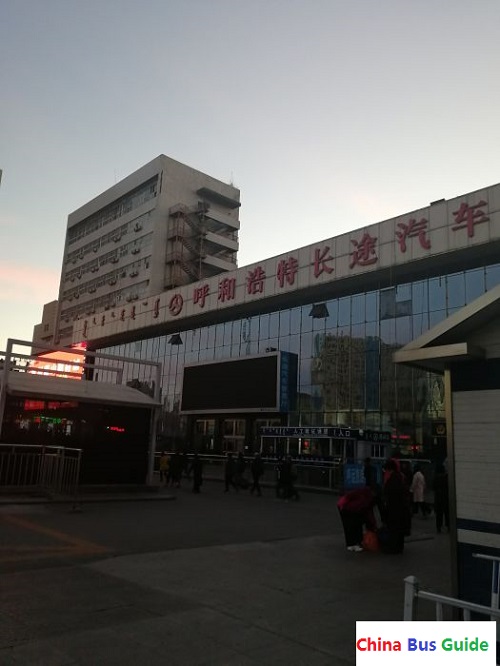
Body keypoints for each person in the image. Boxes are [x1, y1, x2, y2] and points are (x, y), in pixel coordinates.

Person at [380, 458, 411, 553]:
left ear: (390, 469)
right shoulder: (401, 477)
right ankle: (399, 547)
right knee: (399, 529)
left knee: (394, 529)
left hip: (394, 509)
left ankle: (393, 548)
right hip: (402, 508)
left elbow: (388, 494)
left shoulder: (392, 479)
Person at [337, 486, 377, 552]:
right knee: (349, 525)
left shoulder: (367, 496)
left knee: (353, 525)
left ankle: (354, 543)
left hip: (351, 509)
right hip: (346, 508)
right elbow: (349, 497)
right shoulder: (364, 494)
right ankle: (351, 544)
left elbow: (368, 512)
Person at [433, 463, 450, 533]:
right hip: (446, 497)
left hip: (438, 497)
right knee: (447, 513)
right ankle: (448, 526)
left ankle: (438, 527)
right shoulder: (446, 477)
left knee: (439, 514)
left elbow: (433, 487)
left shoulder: (435, 477)